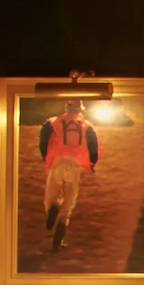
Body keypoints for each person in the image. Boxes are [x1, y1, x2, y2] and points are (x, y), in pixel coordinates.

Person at [38, 99, 102, 253]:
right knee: (68, 205)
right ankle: (57, 242)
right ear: (80, 109)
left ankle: (53, 208)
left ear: (66, 107)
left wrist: (45, 157)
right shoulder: (87, 125)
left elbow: (43, 140)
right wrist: (92, 163)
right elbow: (94, 145)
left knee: (50, 197)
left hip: (57, 162)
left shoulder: (52, 122)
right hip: (74, 165)